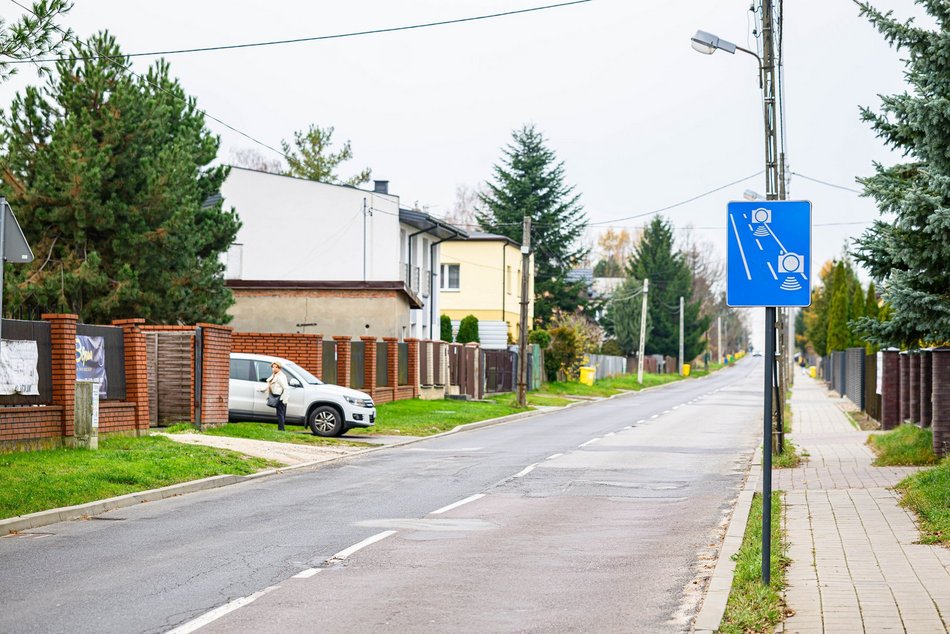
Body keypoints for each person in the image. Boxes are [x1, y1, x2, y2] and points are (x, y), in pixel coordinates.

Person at [259, 361, 290, 431]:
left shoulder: (281, 376)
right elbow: (269, 384)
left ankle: (281, 429)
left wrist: (284, 400)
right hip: (277, 397)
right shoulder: (274, 375)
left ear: (279, 368)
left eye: (276, 367)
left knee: (280, 414)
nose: (274, 368)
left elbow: (286, 388)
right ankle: (281, 429)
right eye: (273, 367)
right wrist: (262, 389)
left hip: (281, 398)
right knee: (280, 414)